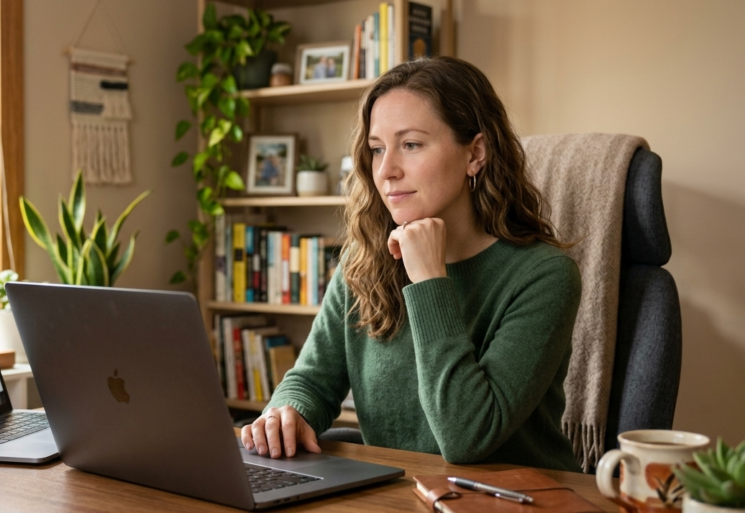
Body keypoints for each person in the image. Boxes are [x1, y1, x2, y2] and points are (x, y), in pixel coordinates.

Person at [242, 57, 582, 471]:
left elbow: (466, 438)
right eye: (377, 149)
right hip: (397, 502)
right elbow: (312, 379)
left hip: (516, 511)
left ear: (475, 153)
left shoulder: (544, 276)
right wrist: (287, 412)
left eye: (411, 144)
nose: (386, 170)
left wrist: (428, 280)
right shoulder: (363, 259)